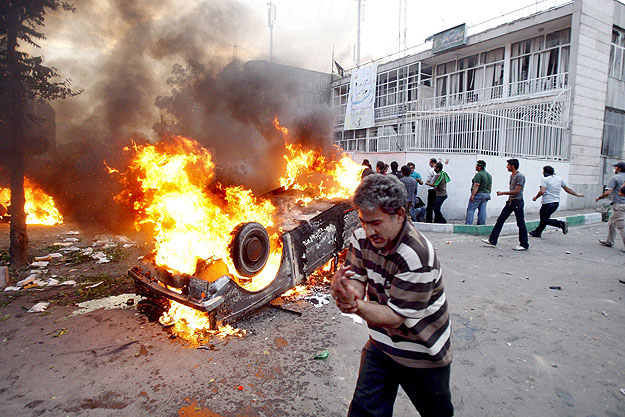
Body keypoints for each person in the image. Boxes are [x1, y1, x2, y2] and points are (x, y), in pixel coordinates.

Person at [330, 173, 453, 417]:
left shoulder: (416, 255)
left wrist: (354, 306)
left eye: (375, 222)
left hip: (422, 353)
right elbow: (357, 276)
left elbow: (396, 316)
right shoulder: (361, 236)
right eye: (364, 221)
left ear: (399, 214)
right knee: (363, 412)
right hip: (381, 344)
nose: (368, 230)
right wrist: (348, 291)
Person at [481, 158, 529, 251]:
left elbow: (517, 191)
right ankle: (493, 239)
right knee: (500, 220)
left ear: (513, 166)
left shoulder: (520, 176)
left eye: (508, 165)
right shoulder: (512, 176)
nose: (507, 167)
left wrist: (503, 193)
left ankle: (524, 244)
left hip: (517, 202)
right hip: (511, 202)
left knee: (520, 223)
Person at [529, 165, 584, 238]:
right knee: (545, 218)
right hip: (556, 203)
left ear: (545, 172)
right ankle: (537, 232)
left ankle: (561, 224)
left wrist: (535, 197)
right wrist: (577, 194)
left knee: (544, 219)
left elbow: (542, 191)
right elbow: (568, 189)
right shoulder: (559, 179)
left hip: (547, 203)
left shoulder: (545, 180)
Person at [596, 161, 625, 249]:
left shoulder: (616, 178)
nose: (615, 169)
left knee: (621, 226)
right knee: (611, 222)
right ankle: (609, 241)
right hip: (622, 204)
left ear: (618, 168)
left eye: (616, 167)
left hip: (620, 204)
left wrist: (600, 197)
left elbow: (608, 192)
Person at [465, 160, 492, 225]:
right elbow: (490, 186)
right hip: (486, 194)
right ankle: (481, 224)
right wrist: (489, 194)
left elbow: (476, 185)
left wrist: (473, 195)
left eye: (476, 166)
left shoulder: (479, 174)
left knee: (471, 209)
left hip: (479, 193)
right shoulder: (489, 175)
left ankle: (468, 224)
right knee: (482, 210)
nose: (475, 167)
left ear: (479, 167)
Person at [424, 158, 438, 223]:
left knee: (429, 205)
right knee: (435, 205)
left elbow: (428, 180)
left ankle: (429, 219)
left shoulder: (431, 170)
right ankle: (436, 219)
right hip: (436, 190)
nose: (429, 164)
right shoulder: (439, 171)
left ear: (432, 162)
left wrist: (427, 183)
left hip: (431, 189)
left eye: (430, 162)